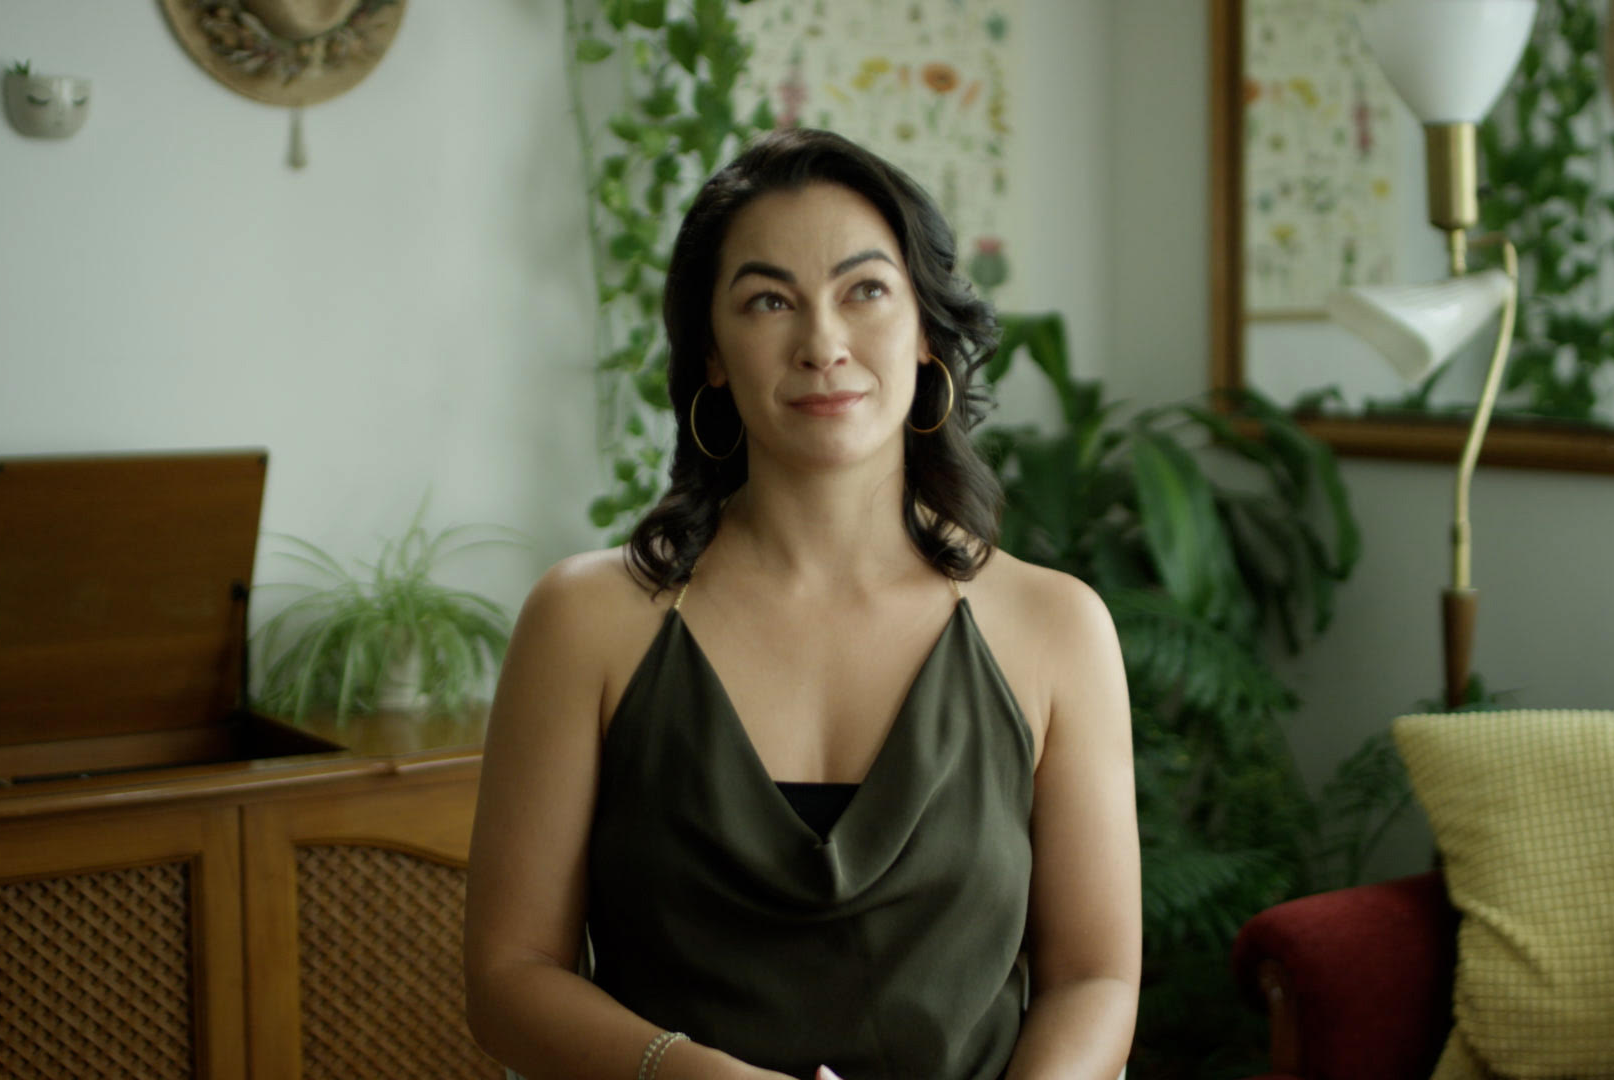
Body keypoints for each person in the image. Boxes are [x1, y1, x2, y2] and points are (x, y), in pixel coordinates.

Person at [464, 127, 1141, 1080]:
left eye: (865, 291)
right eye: (768, 300)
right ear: (710, 354)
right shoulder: (585, 621)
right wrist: (695, 1076)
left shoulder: (1056, 627)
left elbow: (1096, 979)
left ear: (926, 333)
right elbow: (506, 978)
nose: (822, 344)